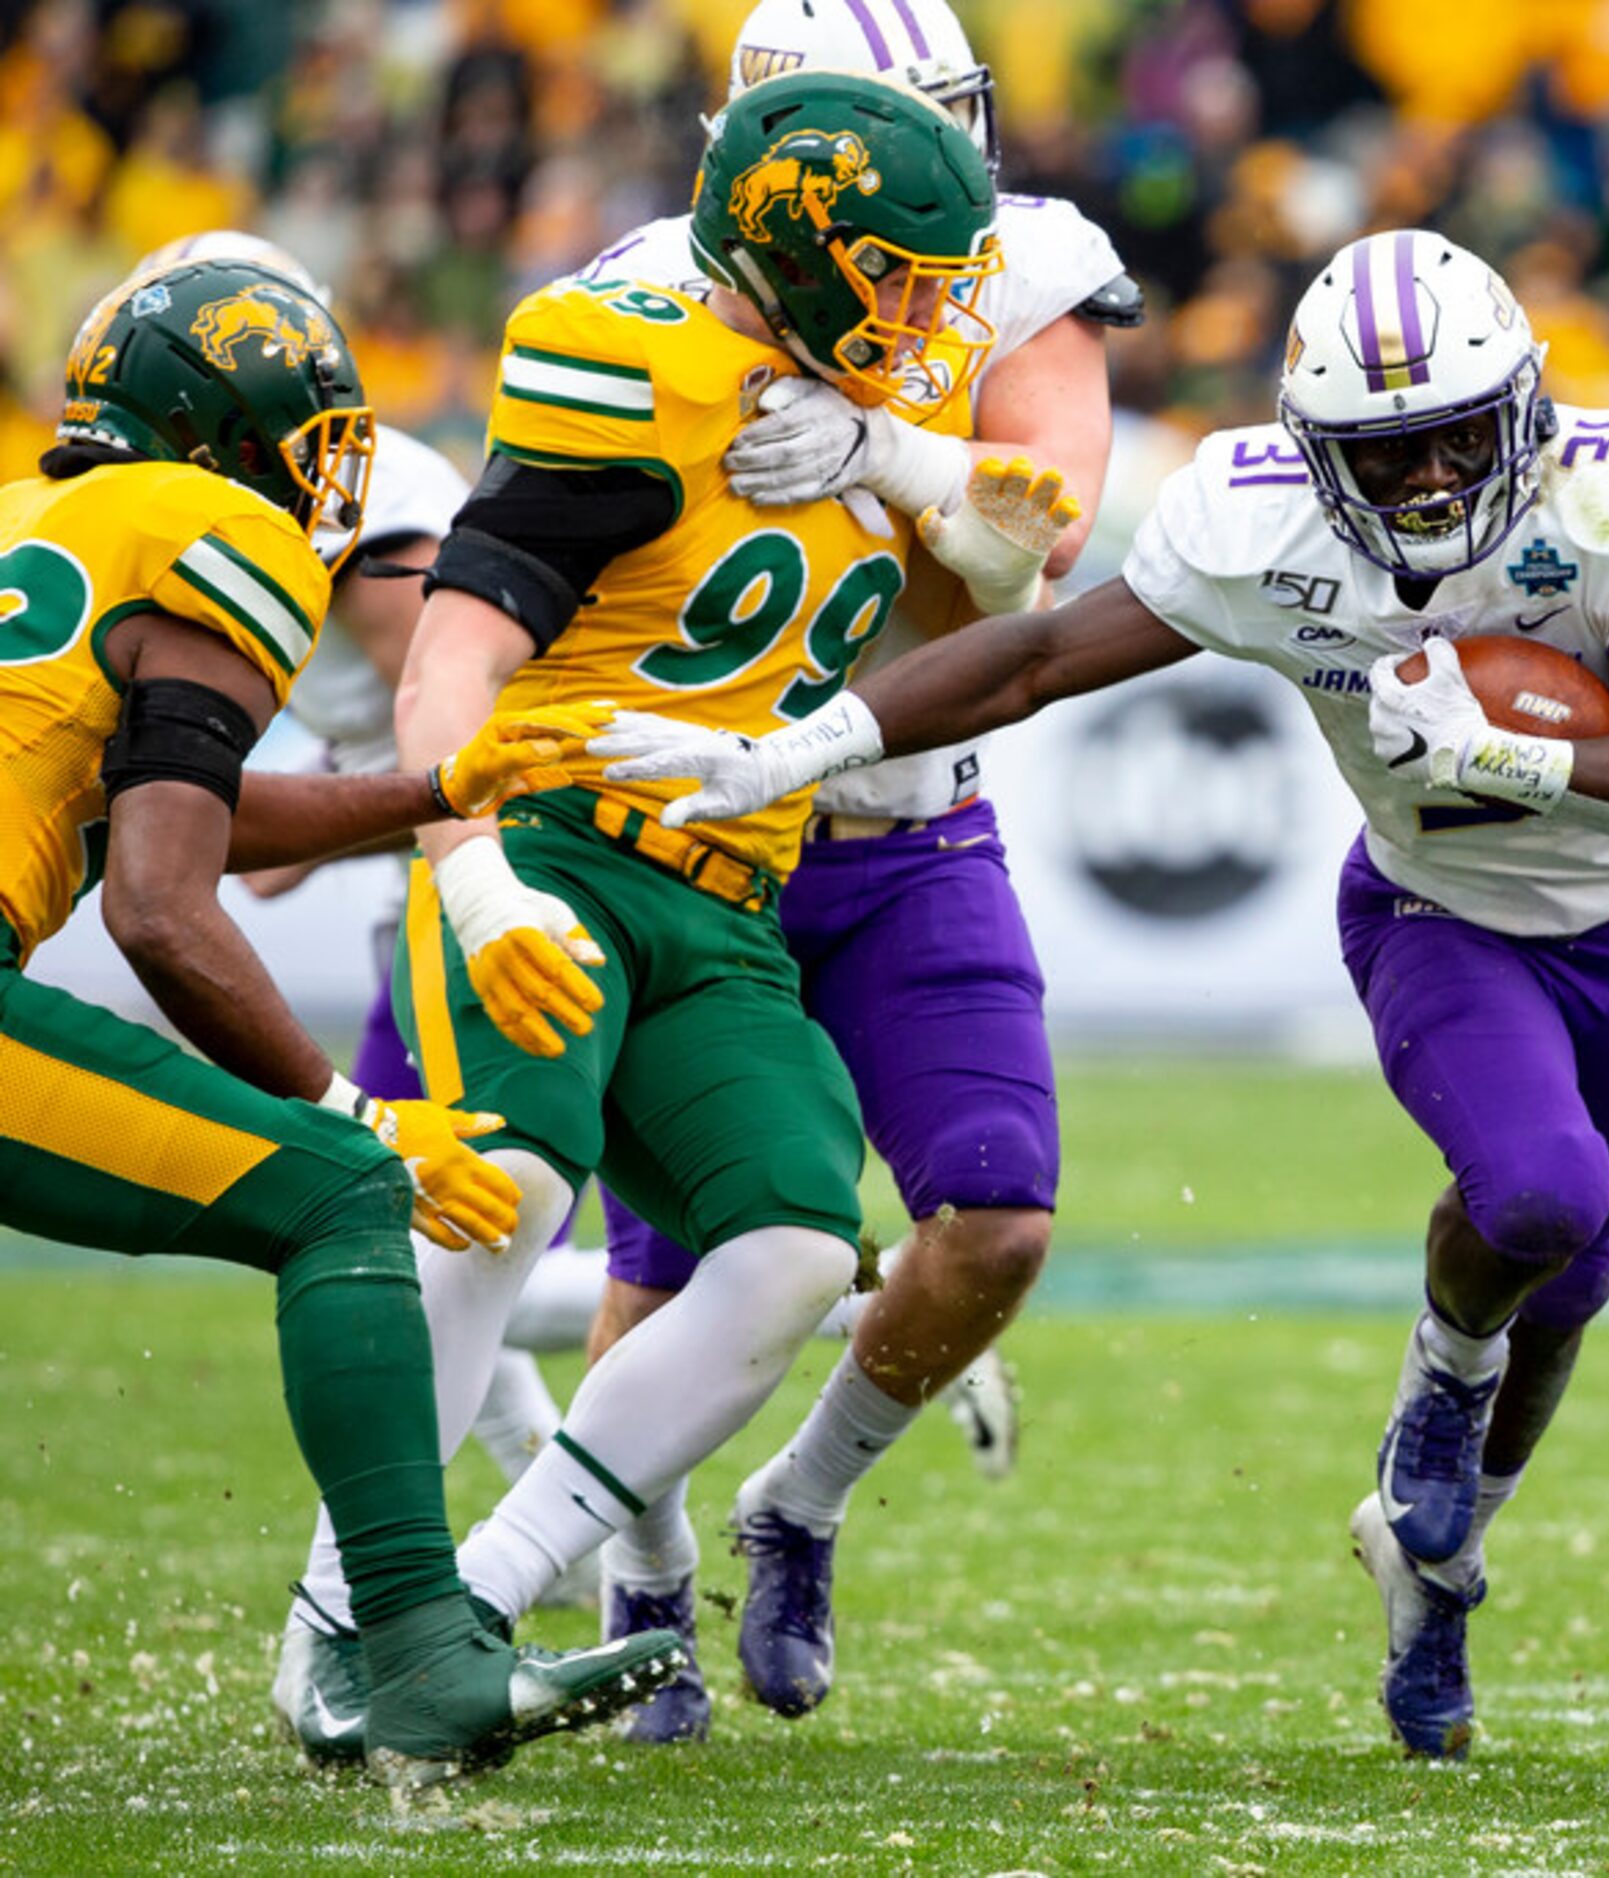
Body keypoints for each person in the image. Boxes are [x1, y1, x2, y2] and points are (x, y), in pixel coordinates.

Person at [582, 227, 1609, 1761]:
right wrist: (804, 744)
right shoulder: (1261, 525)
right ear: (1314, 449)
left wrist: (1500, 754)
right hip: (1437, 913)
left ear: (1523, 408)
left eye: (1452, 443)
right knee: (1538, 1194)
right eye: (1381, 456)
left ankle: (1437, 1554)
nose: (1420, 488)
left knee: (1574, 1270)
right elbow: (1032, 661)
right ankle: (1438, 1438)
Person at [269, 71, 1067, 1763]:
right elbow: (456, 652)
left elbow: (1021, 566)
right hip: (560, 832)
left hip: (734, 887)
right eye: (902, 278)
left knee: (790, 1246)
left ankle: (475, 1599)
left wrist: (905, 449)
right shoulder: (625, 355)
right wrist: (470, 865)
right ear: (800, 247)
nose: (931, 318)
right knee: (506, 1188)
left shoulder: (886, 384)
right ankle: (343, 1618)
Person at [2, 254, 680, 1786]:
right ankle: (421, 1650)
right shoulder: (217, 528)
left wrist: (434, 789)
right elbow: (161, 903)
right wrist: (342, 1101)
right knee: (351, 1194)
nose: (323, 473)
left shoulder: (38, 523)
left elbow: (172, 809)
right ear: (230, 423)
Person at [556, 0, 1130, 1737]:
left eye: (943, 125)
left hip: (902, 821)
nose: (925, 186)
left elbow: (1039, 555)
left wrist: (891, 447)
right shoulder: (640, 296)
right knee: (669, 1270)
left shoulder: (1020, 270)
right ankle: (637, 1570)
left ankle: (795, 1502)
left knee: (997, 1216)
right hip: (703, 839)